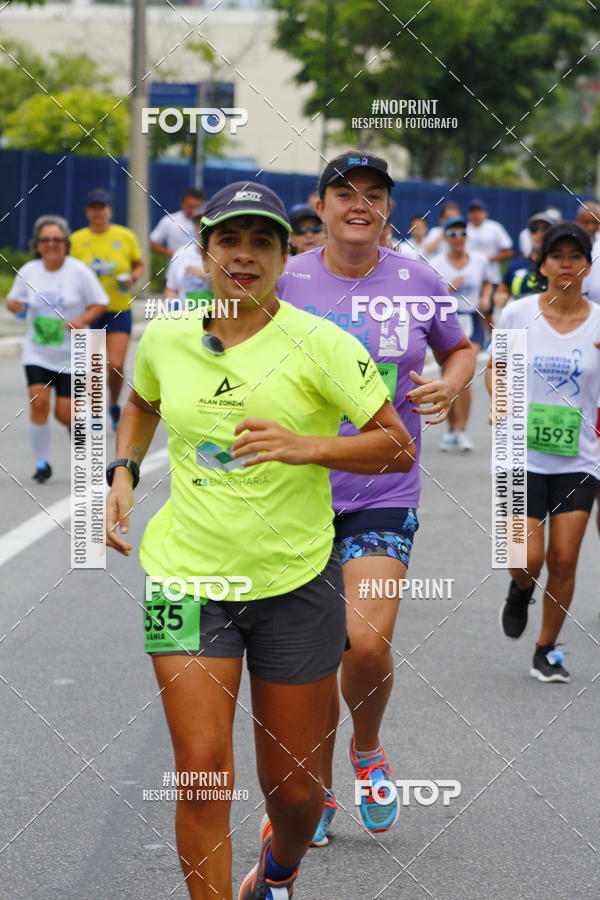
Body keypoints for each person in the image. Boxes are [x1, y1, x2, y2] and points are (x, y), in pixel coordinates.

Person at [105, 181, 415, 900]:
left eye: (262, 243)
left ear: (284, 254)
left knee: (299, 792)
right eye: (229, 241)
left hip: (297, 583)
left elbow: (394, 447)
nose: (244, 256)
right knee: (203, 771)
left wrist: (306, 447)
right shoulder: (169, 335)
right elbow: (144, 400)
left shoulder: (321, 343)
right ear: (205, 250)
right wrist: (122, 468)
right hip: (182, 580)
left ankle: (278, 870)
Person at [278, 152, 474, 843]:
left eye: (373, 194)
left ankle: (366, 749)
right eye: (344, 193)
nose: (359, 204)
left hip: (383, 488)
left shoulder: (418, 279)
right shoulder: (287, 279)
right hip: (295, 494)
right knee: (304, 659)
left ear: (388, 207)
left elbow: (460, 347)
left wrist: (451, 385)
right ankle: (316, 785)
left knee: (363, 643)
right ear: (322, 205)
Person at [488, 223, 600, 682]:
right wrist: (499, 398)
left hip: (579, 458)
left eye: (576, 257)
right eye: (557, 257)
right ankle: (519, 591)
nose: (566, 266)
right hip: (519, 454)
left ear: (588, 267)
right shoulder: (518, 314)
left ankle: (546, 648)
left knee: (565, 560)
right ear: (542, 264)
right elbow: (497, 368)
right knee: (524, 558)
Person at [5, 215, 108, 482]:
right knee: (38, 403)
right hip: (38, 351)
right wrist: (12, 305)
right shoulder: (29, 271)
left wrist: (82, 321)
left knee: (66, 413)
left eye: (57, 240)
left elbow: (101, 302)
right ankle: (42, 463)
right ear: (37, 244)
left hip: (73, 355)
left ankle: (80, 437)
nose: (51, 244)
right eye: (45, 240)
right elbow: (14, 300)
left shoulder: (79, 271)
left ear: (65, 244)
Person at [70, 189, 144, 431]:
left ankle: (112, 402)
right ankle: (96, 411)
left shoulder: (124, 236)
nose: (98, 212)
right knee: (93, 367)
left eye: (102, 207)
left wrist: (132, 277)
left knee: (115, 364)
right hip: (89, 311)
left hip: (118, 309)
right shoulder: (77, 240)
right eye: (94, 207)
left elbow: (138, 263)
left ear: (110, 210)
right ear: (87, 211)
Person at [431, 215, 492, 452]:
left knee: (464, 376)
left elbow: (488, 282)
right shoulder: (436, 263)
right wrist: (448, 289)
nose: (459, 238)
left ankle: (461, 430)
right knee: (447, 376)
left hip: (471, 319)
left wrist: (486, 297)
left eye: (463, 233)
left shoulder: (479, 260)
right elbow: (428, 297)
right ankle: (450, 431)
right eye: (453, 234)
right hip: (446, 319)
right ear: (445, 237)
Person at [493, 211, 554, 308]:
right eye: (534, 229)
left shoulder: (558, 266)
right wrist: (500, 297)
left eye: (545, 229)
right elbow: (502, 291)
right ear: (529, 234)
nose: (539, 233)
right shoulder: (516, 265)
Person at [164, 206, 210, 302]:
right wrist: (173, 303)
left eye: (206, 224)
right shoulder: (181, 253)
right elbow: (171, 289)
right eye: (198, 223)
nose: (202, 227)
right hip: (186, 316)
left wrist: (203, 276)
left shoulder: (225, 255)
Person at [466, 199, 513, 287]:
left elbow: (508, 252)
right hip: (470, 279)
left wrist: (487, 259)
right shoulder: (464, 229)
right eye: (472, 211)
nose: (475, 214)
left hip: (492, 277)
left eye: (478, 211)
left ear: (485, 213)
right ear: (468, 214)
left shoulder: (494, 227)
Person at [150, 188, 205, 259]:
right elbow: (152, 243)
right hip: (176, 267)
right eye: (190, 206)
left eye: (197, 207)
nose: (193, 210)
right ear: (182, 203)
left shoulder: (207, 222)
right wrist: (171, 254)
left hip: (201, 267)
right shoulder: (169, 220)